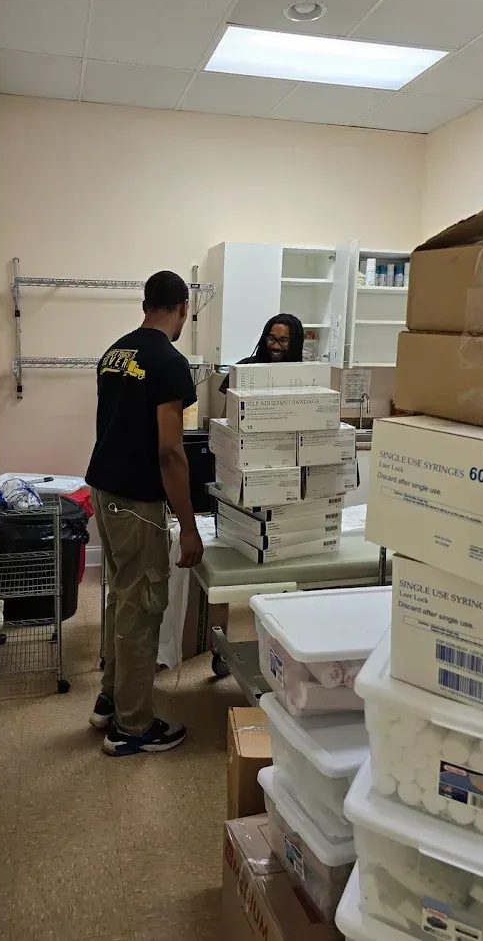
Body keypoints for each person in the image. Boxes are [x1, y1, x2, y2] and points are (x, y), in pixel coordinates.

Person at [85, 270, 204, 757]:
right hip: (136, 503)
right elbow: (171, 453)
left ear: (145, 304)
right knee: (143, 608)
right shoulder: (169, 361)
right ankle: (132, 727)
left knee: (122, 600)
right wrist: (190, 527)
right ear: (181, 308)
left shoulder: (115, 353)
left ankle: (111, 699)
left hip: (104, 492)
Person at [219, 312, 305, 395]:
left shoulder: (306, 374)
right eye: (271, 338)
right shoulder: (242, 369)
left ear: (295, 343)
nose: (275, 346)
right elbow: (228, 409)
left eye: (283, 341)